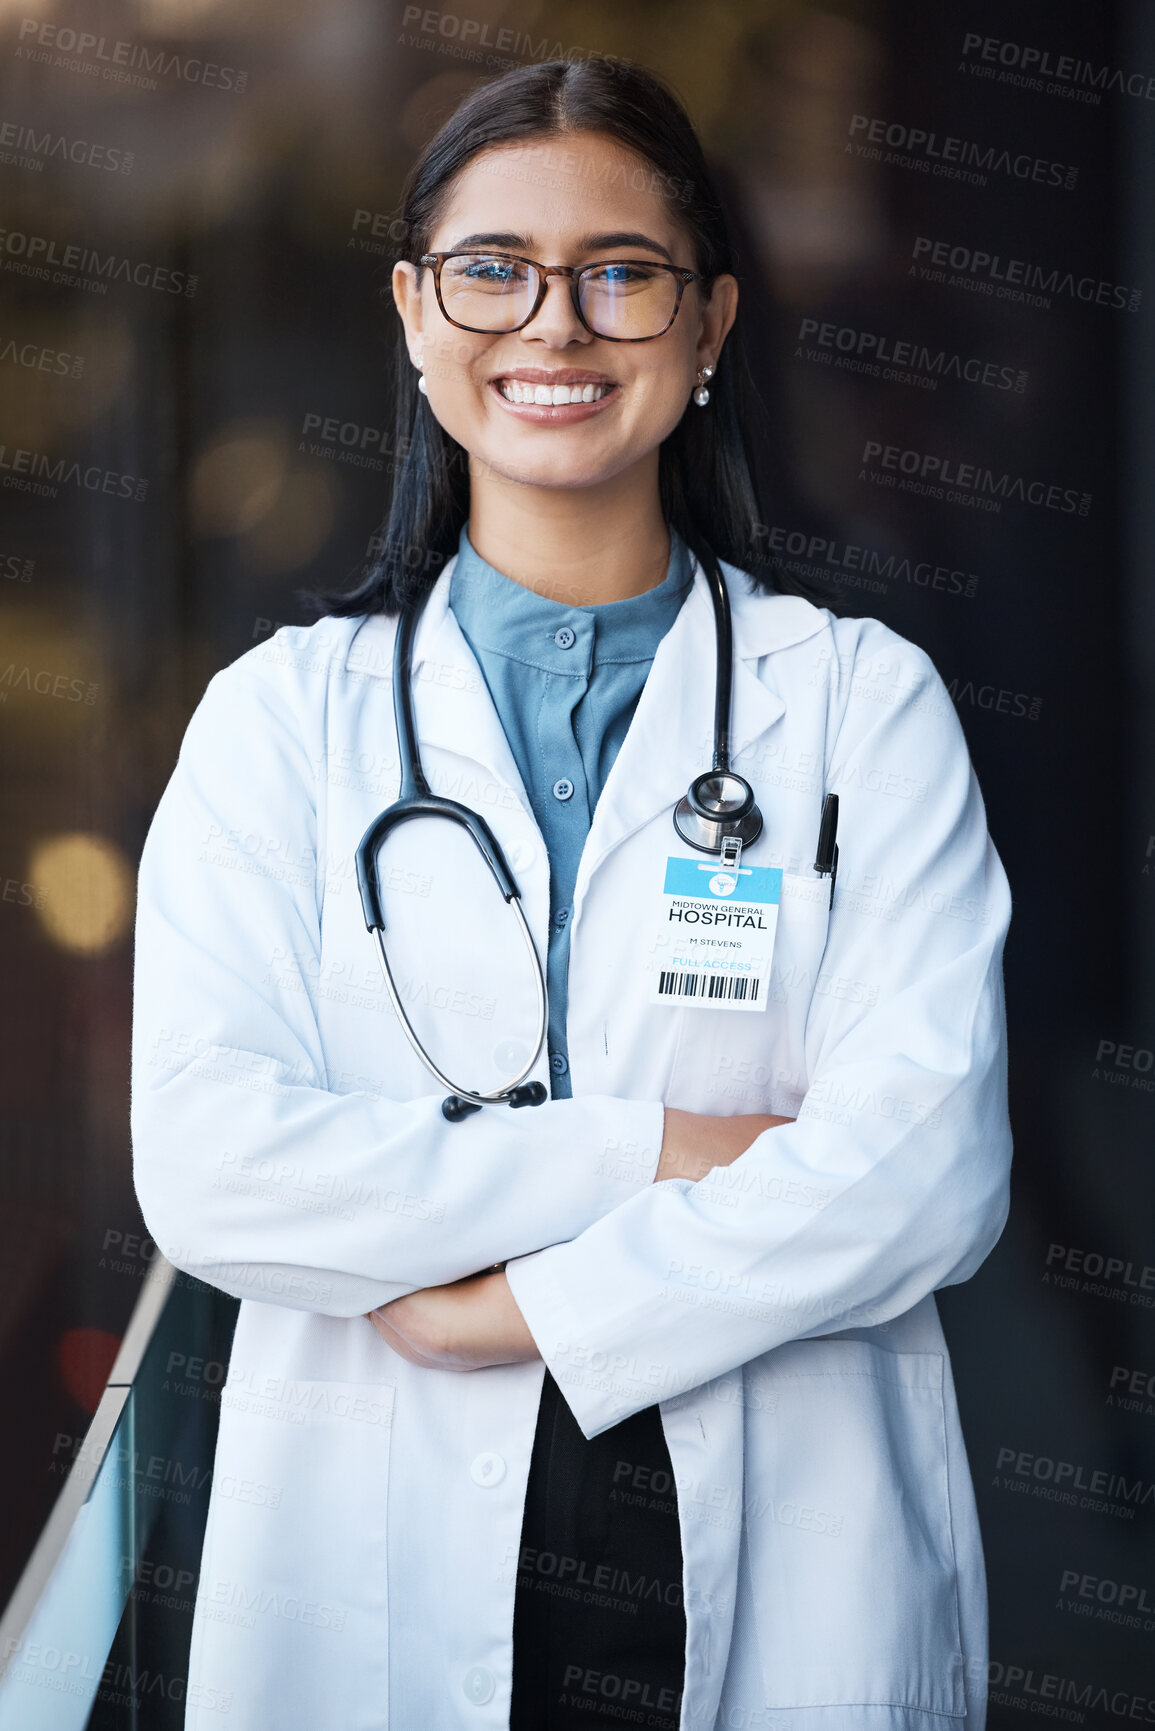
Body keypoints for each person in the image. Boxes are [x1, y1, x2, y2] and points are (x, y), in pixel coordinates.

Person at [131, 57, 1012, 1731]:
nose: (555, 325)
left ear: (709, 325)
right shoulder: (280, 723)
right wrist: (651, 1151)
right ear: (412, 312)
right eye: (492, 269)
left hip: (783, 1543)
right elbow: (210, 1167)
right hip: (368, 1549)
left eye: (621, 272)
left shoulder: (857, 706)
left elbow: (930, 1166)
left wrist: (518, 1310)